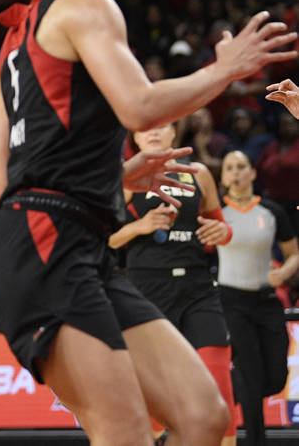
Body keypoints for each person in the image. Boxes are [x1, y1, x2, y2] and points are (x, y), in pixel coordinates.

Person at [0, 0, 295, 445]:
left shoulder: (16, 42)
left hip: (57, 239)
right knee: (123, 433)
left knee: (203, 416)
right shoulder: (85, 6)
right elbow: (140, 107)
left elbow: (9, 177)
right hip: (47, 246)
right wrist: (222, 70)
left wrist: (115, 176)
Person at [108, 123, 236, 444]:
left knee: (218, 382)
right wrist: (140, 226)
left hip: (197, 287)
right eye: (144, 128)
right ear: (134, 138)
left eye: (161, 124)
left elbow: (220, 227)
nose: (152, 131)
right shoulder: (125, 178)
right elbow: (105, 240)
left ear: (174, 133)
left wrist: (224, 233)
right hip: (147, 291)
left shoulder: (199, 173)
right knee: (153, 392)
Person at [218, 150, 298, 446]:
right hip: (231, 301)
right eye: (230, 168)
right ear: (223, 177)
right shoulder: (215, 213)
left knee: (276, 377)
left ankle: (226, 390)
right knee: (251, 376)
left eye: (241, 166)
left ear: (252, 173)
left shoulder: (271, 211)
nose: (236, 173)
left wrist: (286, 272)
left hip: (266, 301)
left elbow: (294, 254)